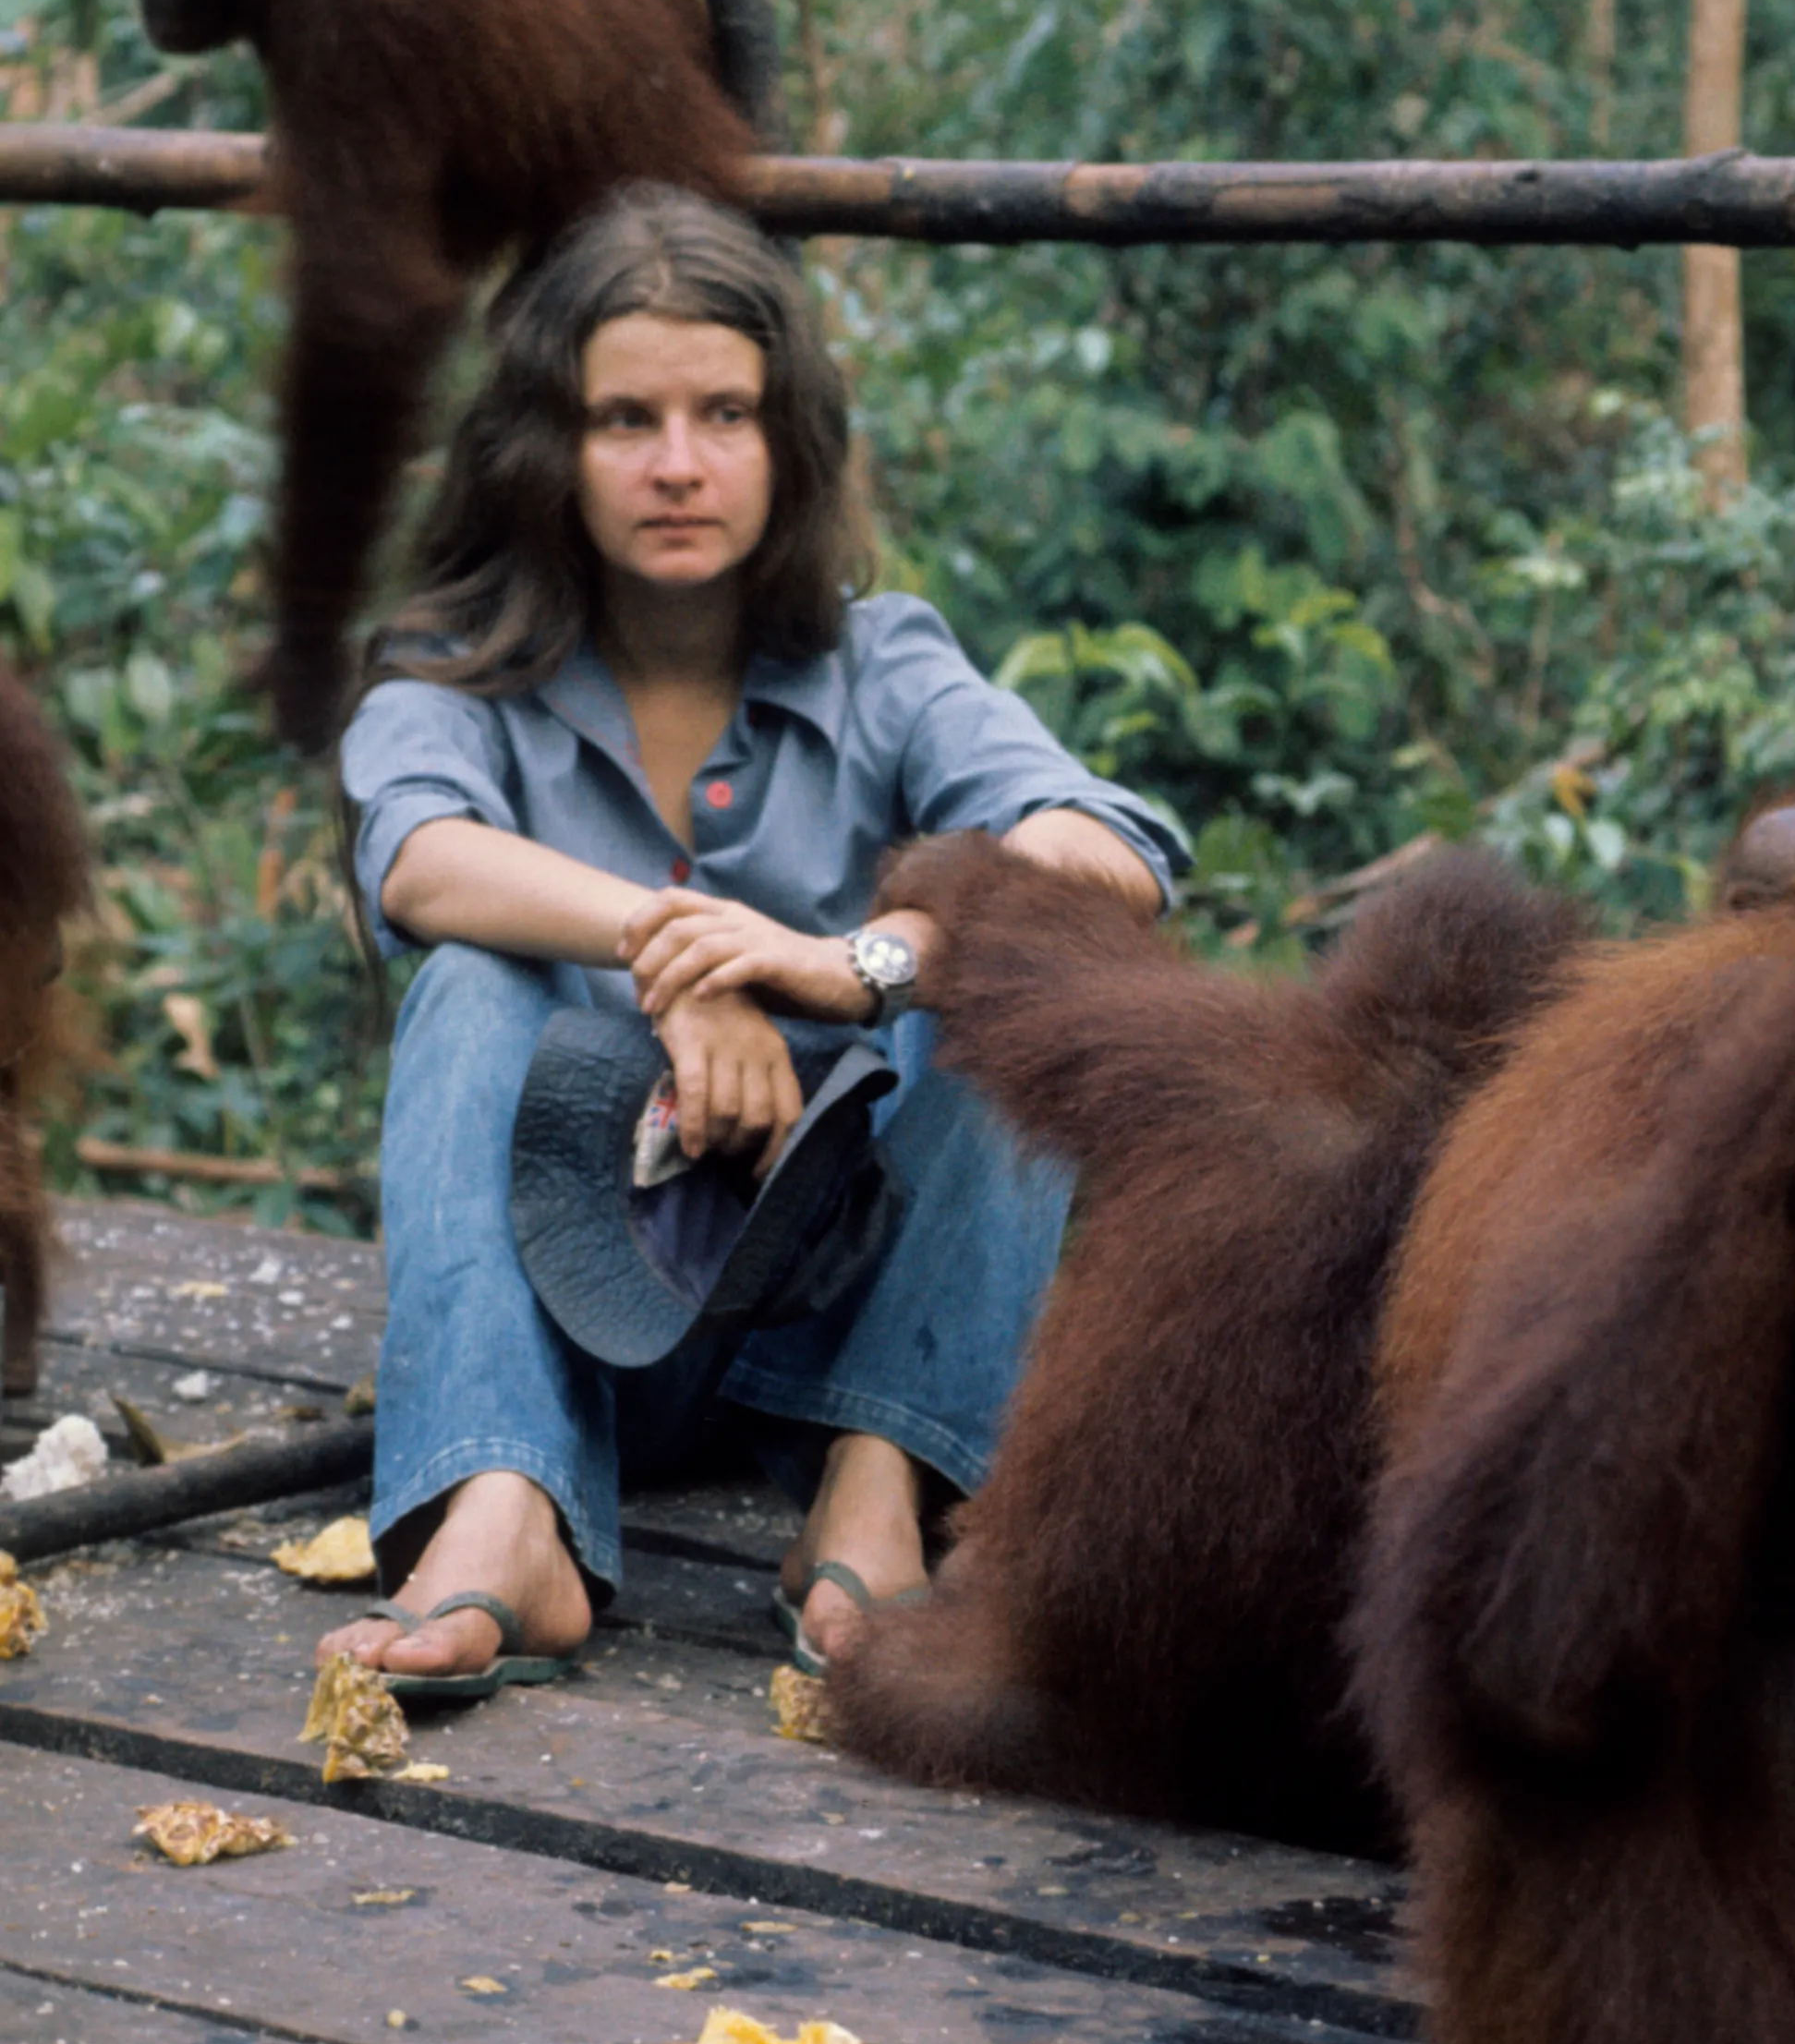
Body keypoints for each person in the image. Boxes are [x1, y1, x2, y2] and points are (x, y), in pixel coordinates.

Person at [324, 185, 1183, 1686]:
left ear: (788, 443)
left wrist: (849, 962)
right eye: (625, 420)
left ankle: (879, 1492)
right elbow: (423, 864)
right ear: (549, 448)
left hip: (853, 1332)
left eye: (725, 413)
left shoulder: (886, 665)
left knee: (1014, 952)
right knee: (471, 977)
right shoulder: (447, 686)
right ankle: (503, 1508)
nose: (678, 465)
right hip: (582, 1342)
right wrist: (691, 957)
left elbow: (1110, 849)